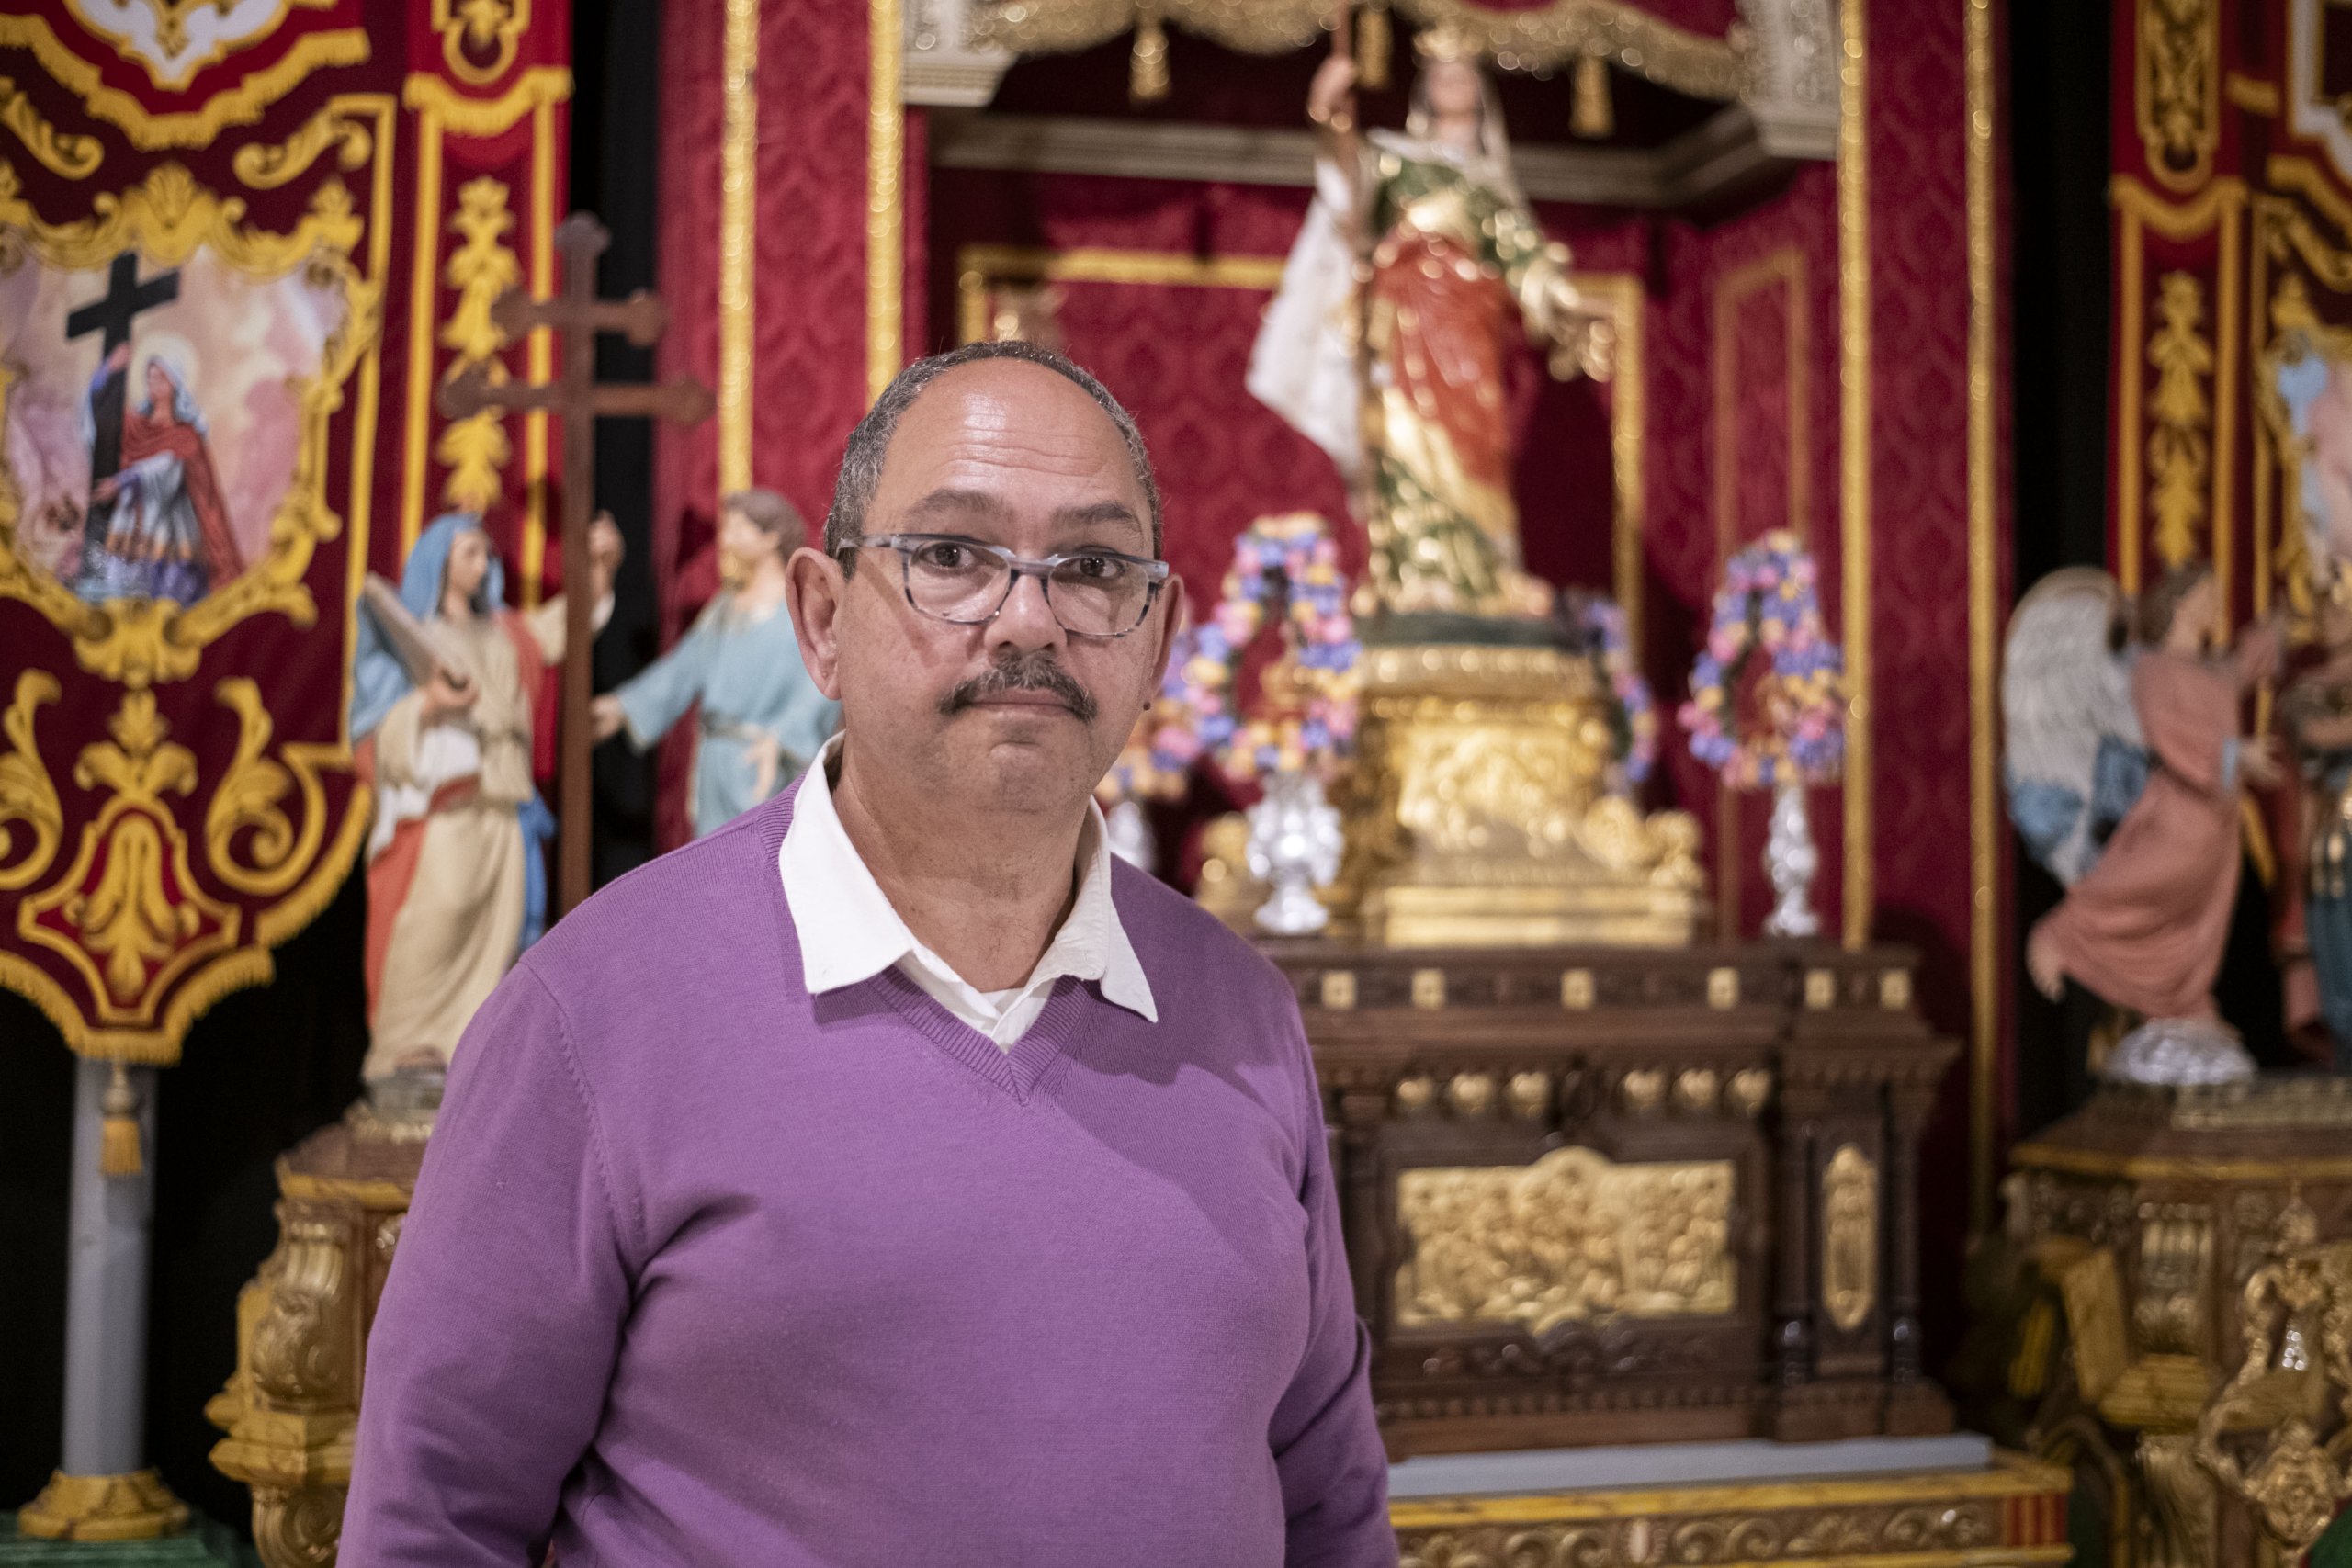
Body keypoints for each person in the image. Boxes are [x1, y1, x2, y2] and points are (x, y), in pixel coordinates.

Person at [341, 341, 1396, 1566]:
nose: (1029, 617)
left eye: (1093, 568)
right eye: (951, 556)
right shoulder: (594, 1014)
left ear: (1158, 641)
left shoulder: (1243, 1014)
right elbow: (434, 1523)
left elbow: (1330, 1508)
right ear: (822, 620)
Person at [1249, 25, 1604, 620]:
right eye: (1442, 74)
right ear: (1426, 89)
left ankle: (1483, 579)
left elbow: (1526, 259)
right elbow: (1348, 192)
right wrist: (1328, 117)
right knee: (1404, 439)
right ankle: (1415, 574)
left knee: (1476, 446)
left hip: (1470, 332)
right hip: (1407, 323)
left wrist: (1563, 299)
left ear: (1482, 91)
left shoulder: (1492, 184)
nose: (1453, 83)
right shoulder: (1397, 160)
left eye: (1464, 73)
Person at [349, 510, 620, 1083]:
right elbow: (374, 734)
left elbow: (566, 624)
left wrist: (600, 569)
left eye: (485, 554)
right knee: (436, 917)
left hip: (504, 805)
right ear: (440, 560)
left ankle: (470, 1060)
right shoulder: (417, 636)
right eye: (469, 552)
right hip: (450, 808)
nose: (482, 564)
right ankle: (405, 1047)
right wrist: (430, 706)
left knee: (498, 938)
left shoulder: (506, 631)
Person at [2027, 563, 2281, 1022]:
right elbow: (2170, 733)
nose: (2217, 605)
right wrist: (2235, 756)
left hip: (2218, 821)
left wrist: (2282, 624)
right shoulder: (2153, 669)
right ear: (2181, 605)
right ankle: (2063, 934)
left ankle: (2182, 999)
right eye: (2208, 596)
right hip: (2179, 812)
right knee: (2142, 886)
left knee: (2197, 919)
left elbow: (2246, 662)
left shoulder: (2212, 671)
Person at [592, 488, 840, 836]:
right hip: (716, 762)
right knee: (713, 857)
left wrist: (781, 738)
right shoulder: (724, 608)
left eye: (739, 528)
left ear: (770, 538)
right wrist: (622, 707)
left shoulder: (800, 611)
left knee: (762, 851)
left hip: (766, 762)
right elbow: (682, 669)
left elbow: (819, 686)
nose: (727, 538)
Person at [75, 348, 240, 604]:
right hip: (129, 525)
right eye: (149, 377)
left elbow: (167, 469)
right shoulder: (134, 424)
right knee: (119, 597)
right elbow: (99, 414)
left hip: (170, 530)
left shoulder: (186, 435)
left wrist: (123, 481)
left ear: (174, 382)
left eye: (159, 378)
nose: (152, 383)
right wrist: (107, 371)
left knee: (169, 598)